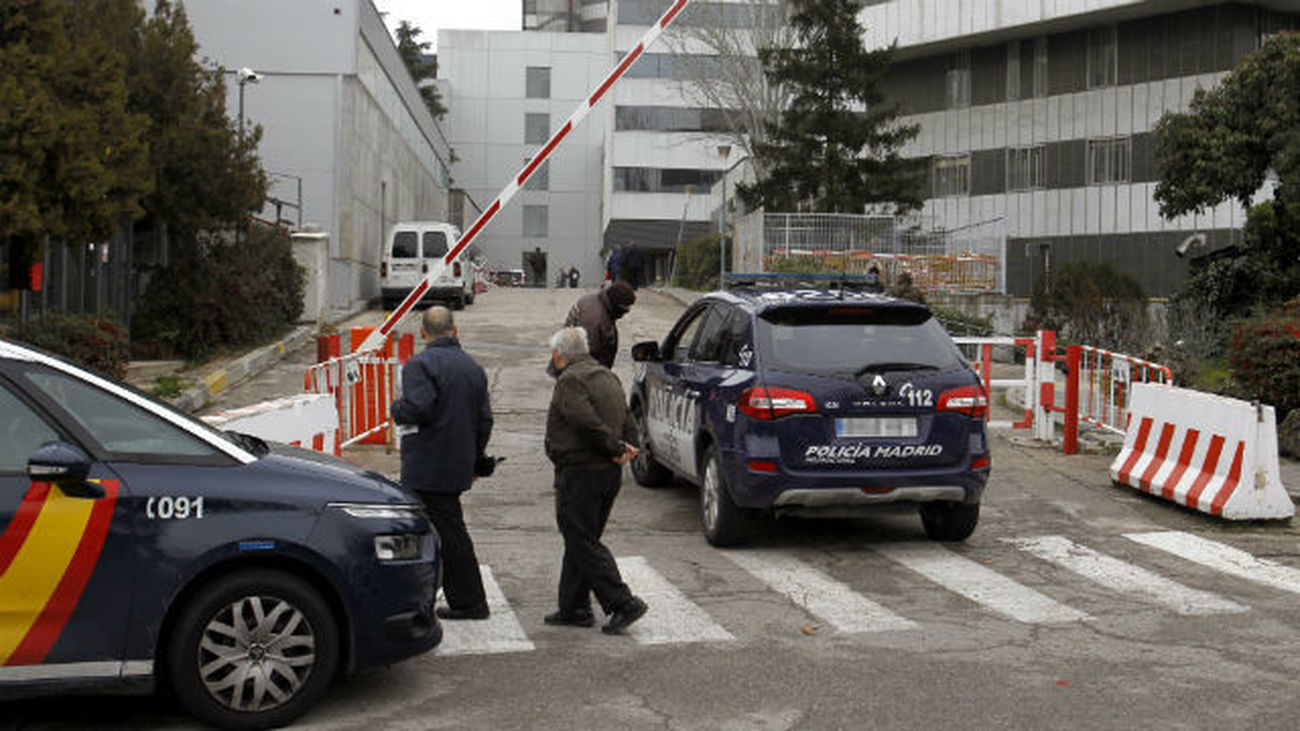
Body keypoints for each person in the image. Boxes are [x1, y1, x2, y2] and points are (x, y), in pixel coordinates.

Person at [390, 306, 494, 621]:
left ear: (423, 333)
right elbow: (484, 420)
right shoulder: (472, 368)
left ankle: (468, 601)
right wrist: (475, 459)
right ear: (455, 330)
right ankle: (453, 598)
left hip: (427, 465)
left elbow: (418, 408)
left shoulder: (419, 365)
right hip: (456, 463)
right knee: (444, 529)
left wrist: (397, 408)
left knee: (440, 533)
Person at [542, 326, 647, 635]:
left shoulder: (571, 380)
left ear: (559, 355)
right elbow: (626, 415)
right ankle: (573, 607)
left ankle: (623, 602)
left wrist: (617, 448)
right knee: (582, 538)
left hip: (581, 471)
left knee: (581, 539)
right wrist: (628, 446)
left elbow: (584, 422)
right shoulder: (605, 375)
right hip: (606, 473)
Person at [564, 280, 636, 369]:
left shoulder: (598, 301)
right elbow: (589, 356)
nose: (628, 311)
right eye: (625, 307)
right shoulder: (594, 320)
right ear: (616, 304)